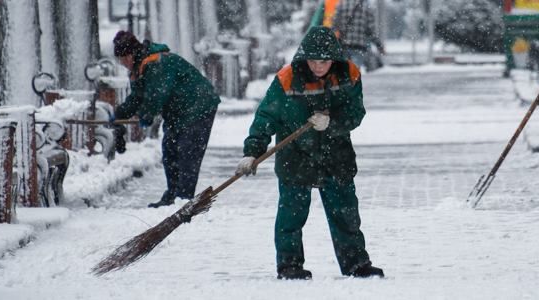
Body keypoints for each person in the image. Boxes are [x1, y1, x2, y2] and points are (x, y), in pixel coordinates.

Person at [236, 26, 383, 280]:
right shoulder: (287, 78)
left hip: (336, 155)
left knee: (345, 213)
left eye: (323, 61)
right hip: (296, 156)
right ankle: (290, 266)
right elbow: (266, 117)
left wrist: (332, 123)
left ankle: (356, 264)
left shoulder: (349, 73)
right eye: (313, 60)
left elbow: (355, 112)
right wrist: (252, 152)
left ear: (333, 59)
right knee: (291, 216)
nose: (317, 66)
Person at [112, 31, 220, 208]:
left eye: (123, 60)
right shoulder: (140, 67)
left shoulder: (156, 62)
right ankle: (172, 196)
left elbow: (156, 95)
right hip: (179, 111)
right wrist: (120, 114)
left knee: (187, 152)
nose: (123, 64)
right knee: (170, 150)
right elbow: (138, 96)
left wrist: (146, 115)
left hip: (199, 106)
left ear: (130, 54)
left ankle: (183, 201)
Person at [309, 0, 386, 70]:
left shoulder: (341, 4)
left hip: (344, 45)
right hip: (359, 47)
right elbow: (371, 31)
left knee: (344, 72)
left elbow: (334, 25)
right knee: (354, 72)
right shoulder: (367, 7)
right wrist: (379, 45)